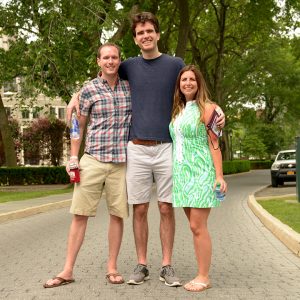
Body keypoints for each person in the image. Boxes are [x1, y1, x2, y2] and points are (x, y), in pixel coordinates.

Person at [67, 12, 225, 287]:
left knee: (166, 207)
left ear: (158, 34)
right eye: (140, 33)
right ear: (136, 38)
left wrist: (215, 110)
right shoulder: (128, 65)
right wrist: (75, 96)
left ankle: (166, 265)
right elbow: (104, 75)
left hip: (167, 148)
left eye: (150, 31)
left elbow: (192, 86)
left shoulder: (175, 64)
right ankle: (141, 264)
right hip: (135, 148)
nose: (146, 36)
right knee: (139, 209)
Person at [43, 43, 131, 288]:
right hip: (92, 160)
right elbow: (77, 125)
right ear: (98, 61)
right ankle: (67, 269)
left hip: (120, 164)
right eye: (106, 57)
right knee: (80, 215)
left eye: (114, 57)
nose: (110, 61)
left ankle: (112, 267)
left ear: (119, 60)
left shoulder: (129, 87)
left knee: (117, 215)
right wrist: (73, 157)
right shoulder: (88, 90)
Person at [169, 65, 227, 292]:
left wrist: (219, 176)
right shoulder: (177, 110)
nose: (188, 83)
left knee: (197, 225)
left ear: (199, 83)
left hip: (202, 173)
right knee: (194, 228)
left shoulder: (209, 109)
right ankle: (201, 272)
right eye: (184, 79)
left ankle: (203, 276)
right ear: (179, 84)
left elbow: (215, 144)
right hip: (182, 176)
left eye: (192, 79)